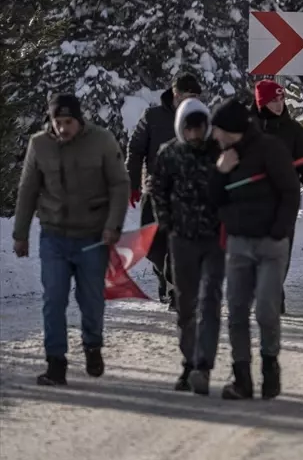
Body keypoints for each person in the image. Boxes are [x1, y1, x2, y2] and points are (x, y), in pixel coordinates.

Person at [13, 94, 129, 386]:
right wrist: (20, 233)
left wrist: (113, 225)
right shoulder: (39, 145)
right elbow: (28, 189)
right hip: (54, 236)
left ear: (80, 120)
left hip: (92, 236)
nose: (63, 128)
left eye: (69, 122)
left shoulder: (102, 141)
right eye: (58, 122)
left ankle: (92, 345)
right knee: (53, 299)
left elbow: (119, 183)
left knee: (90, 300)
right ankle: (55, 362)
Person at [209, 98, 301, 400]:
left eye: (218, 130)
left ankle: (270, 368)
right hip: (238, 243)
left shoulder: (270, 149)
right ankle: (242, 377)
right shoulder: (223, 155)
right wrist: (220, 173)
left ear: (232, 129)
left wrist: (279, 231)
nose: (214, 135)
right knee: (235, 310)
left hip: (271, 244)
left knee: (265, 309)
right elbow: (211, 200)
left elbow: (290, 192)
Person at [150, 98, 223, 395]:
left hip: (215, 241)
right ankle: (189, 361)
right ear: (182, 128)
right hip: (181, 241)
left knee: (210, 303)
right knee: (186, 306)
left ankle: (203, 366)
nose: (195, 134)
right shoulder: (169, 154)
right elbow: (158, 190)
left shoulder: (218, 152)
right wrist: (167, 222)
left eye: (199, 128)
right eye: (189, 128)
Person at [128, 73, 202, 309]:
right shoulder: (153, 117)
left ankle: (176, 288)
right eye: (187, 96)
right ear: (175, 94)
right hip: (156, 189)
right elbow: (136, 149)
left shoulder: (200, 118)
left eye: (195, 97)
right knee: (153, 244)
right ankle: (164, 276)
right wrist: (133, 184)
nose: (191, 102)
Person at [253, 79, 303, 314]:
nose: (279, 104)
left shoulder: (293, 130)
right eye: (273, 101)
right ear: (262, 103)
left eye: (281, 99)